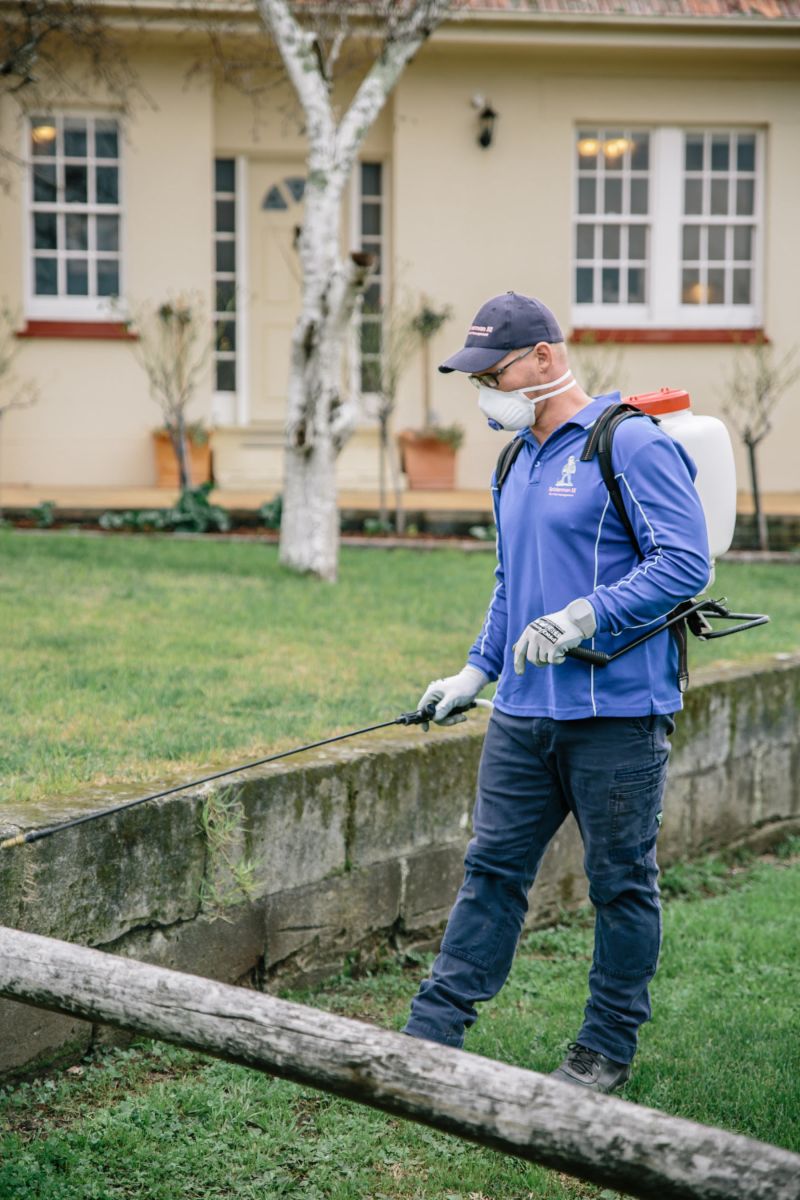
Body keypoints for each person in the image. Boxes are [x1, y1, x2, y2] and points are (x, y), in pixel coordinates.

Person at [402, 291, 710, 1093]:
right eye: (476, 379)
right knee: (492, 871)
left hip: (617, 717)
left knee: (620, 885)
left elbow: (686, 563)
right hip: (522, 716)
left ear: (545, 357)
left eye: (493, 374)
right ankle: (431, 1037)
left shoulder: (629, 444)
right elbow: (512, 584)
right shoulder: (515, 460)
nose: (485, 394)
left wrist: (584, 617)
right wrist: (477, 671)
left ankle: (604, 1049)